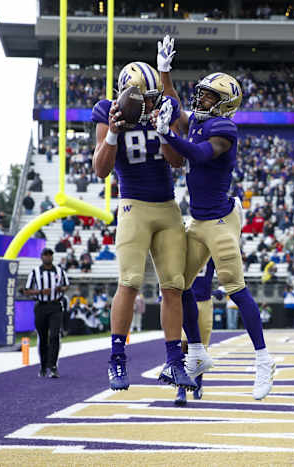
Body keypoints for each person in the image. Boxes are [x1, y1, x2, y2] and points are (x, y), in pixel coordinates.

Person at [154, 35, 274, 400]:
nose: (201, 98)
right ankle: (198, 353)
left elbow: (201, 154)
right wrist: (164, 72)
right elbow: (174, 107)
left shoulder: (225, 129)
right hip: (197, 220)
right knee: (180, 285)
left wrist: (168, 138)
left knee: (235, 289)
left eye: (208, 95)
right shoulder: (200, 120)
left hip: (221, 222)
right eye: (202, 92)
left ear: (224, 104)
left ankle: (264, 361)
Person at [91, 56, 208, 392]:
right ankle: (116, 358)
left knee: (173, 285)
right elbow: (101, 169)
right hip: (133, 207)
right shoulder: (108, 110)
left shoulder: (164, 107)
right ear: (131, 96)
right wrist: (113, 133)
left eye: (156, 96)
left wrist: (164, 131)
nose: (154, 103)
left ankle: (173, 363)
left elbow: (177, 160)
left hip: (167, 206)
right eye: (148, 98)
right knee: (129, 281)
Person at [176, 259, 226, 405]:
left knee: (201, 347)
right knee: (184, 345)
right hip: (184, 300)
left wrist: (221, 289)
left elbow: (226, 270)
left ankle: (198, 381)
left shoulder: (210, 248)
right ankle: (181, 388)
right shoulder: (183, 246)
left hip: (205, 301)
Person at [22, 248, 69, 378]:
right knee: (43, 338)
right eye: (45, 255)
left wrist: (61, 288)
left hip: (55, 306)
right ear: (42, 257)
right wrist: (40, 292)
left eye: (50, 255)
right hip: (41, 306)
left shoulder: (59, 271)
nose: (48, 257)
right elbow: (26, 290)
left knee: (54, 335)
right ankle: (43, 366)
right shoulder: (35, 272)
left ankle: (53, 366)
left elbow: (66, 285)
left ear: (52, 257)